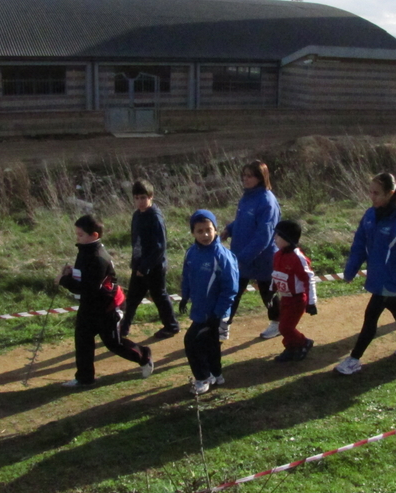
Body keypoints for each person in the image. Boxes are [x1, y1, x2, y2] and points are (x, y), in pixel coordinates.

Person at [335, 173, 396, 376]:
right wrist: (351, 268)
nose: (372, 197)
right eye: (370, 192)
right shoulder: (370, 216)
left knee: (371, 315)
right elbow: (359, 244)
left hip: (392, 277)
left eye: (377, 193)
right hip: (377, 276)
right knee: (393, 305)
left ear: (390, 194)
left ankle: (354, 359)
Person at [56, 214, 153, 388]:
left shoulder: (99, 257)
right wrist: (71, 273)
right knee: (82, 339)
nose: (77, 238)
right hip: (89, 305)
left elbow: (89, 287)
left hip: (108, 307)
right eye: (76, 234)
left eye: (80, 235)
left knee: (113, 343)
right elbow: (83, 279)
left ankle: (144, 356)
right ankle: (85, 378)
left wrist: (63, 281)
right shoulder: (85, 250)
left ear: (94, 235)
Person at [179, 210, 239, 395]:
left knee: (191, 342)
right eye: (199, 231)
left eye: (208, 229)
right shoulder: (191, 253)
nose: (205, 235)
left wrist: (218, 313)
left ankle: (202, 378)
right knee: (211, 344)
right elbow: (187, 276)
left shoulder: (222, 256)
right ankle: (216, 374)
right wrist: (185, 296)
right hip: (200, 310)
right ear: (193, 233)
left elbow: (231, 288)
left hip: (213, 313)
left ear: (215, 229)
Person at [220, 160, 281, 341]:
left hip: (262, 258)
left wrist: (243, 257)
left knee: (267, 292)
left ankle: (277, 323)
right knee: (232, 291)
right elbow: (243, 220)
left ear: (260, 178)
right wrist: (229, 229)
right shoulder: (247, 197)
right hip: (241, 255)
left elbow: (264, 235)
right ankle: (223, 326)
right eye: (244, 175)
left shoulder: (267, 201)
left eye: (250, 176)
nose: (245, 179)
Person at [120, 180, 180, 339]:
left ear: (151, 197)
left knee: (159, 296)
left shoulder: (155, 217)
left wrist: (145, 267)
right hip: (139, 264)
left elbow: (160, 246)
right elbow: (136, 241)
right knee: (132, 298)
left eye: (143, 197)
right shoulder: (137, 215)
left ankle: (171, 326)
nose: (140, 201)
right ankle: (123, 328)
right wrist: (136, 263)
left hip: (154, 266)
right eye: (137, 198)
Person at [271, 220, 318, 362]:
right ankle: (291, 348)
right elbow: (275, 275)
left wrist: (311, 302)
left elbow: (309, 279)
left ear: (287, 238)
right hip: (285, 298)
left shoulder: (298, 258)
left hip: (297, 300)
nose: (275, 238)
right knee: (283, 326)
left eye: (278, 235)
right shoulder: (278, 255)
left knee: (286, 327)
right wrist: (271, 292)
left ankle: (304, 343)